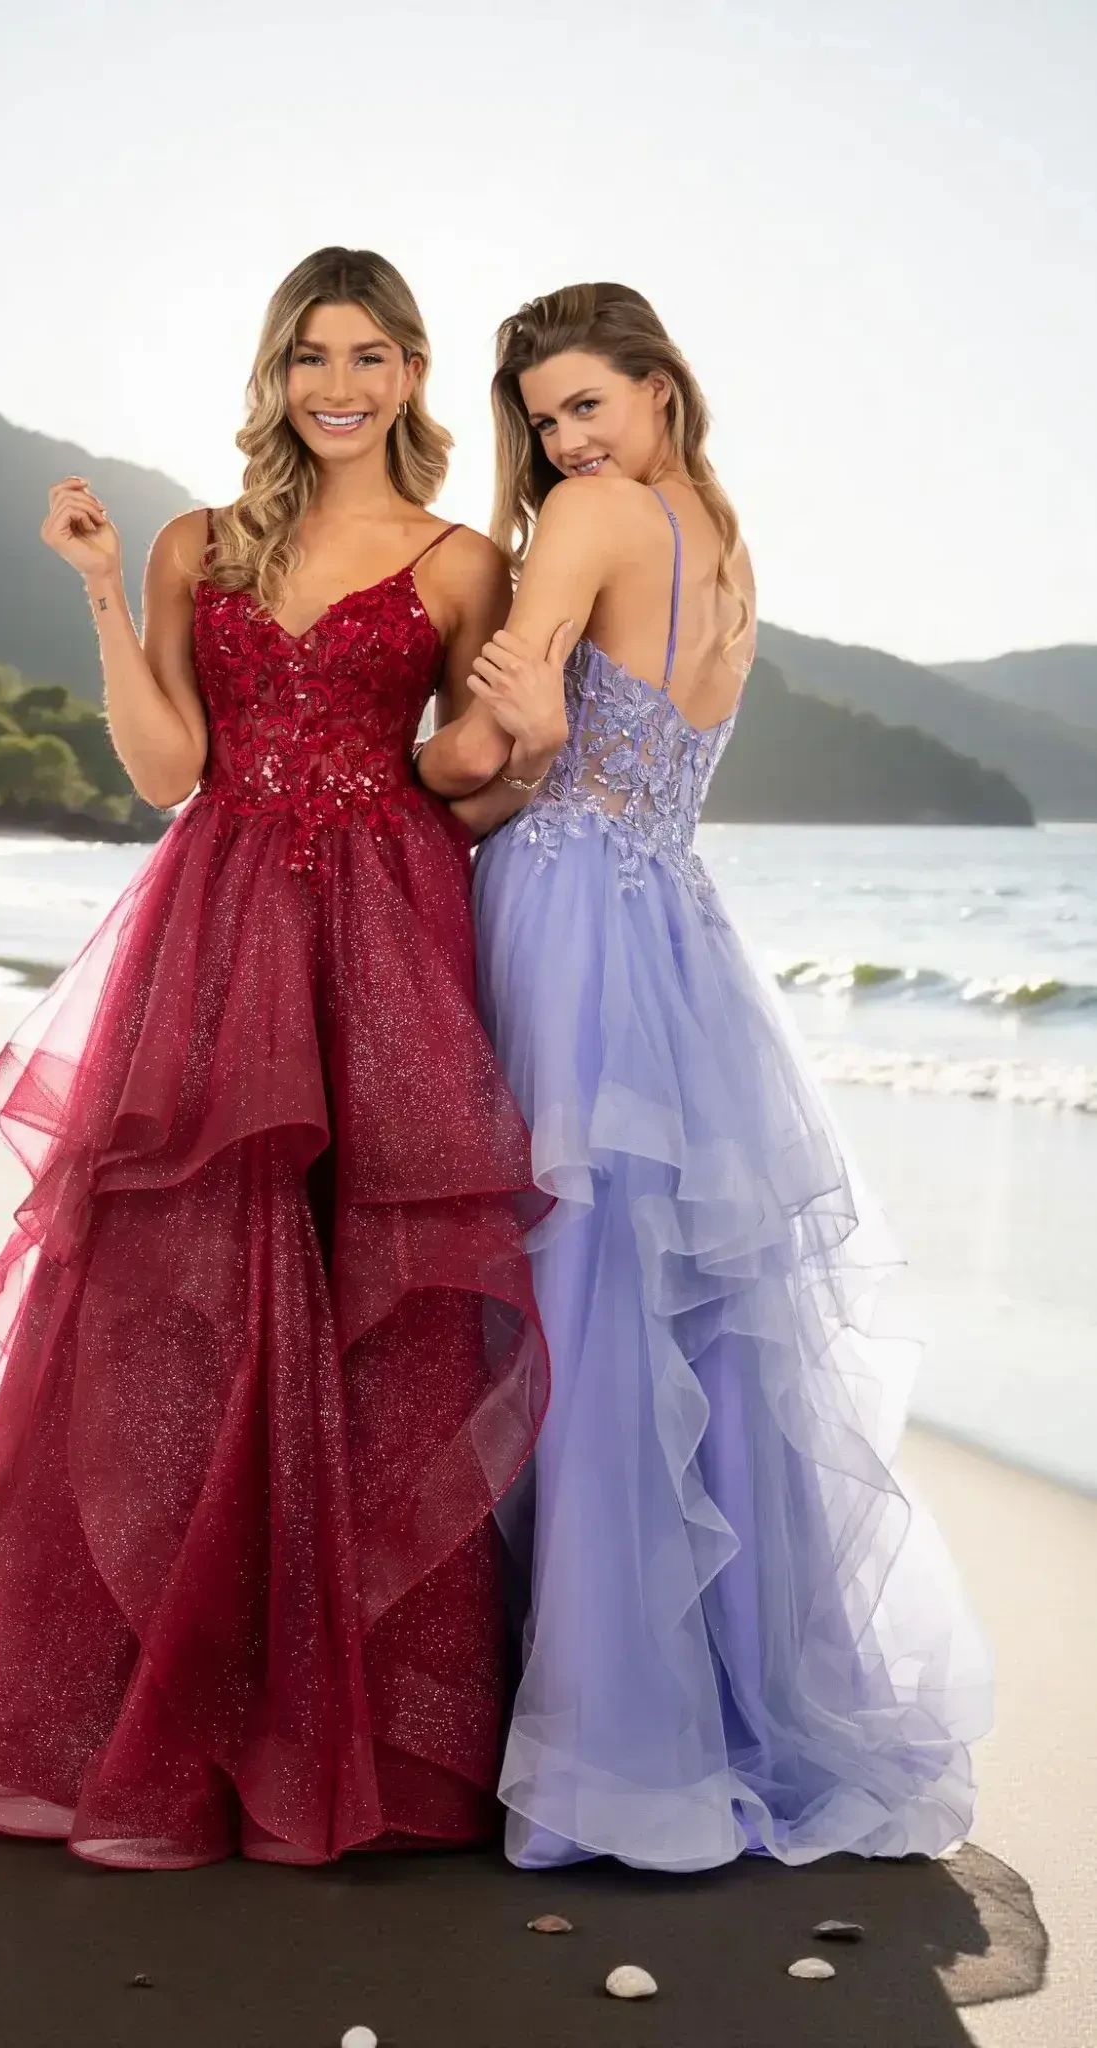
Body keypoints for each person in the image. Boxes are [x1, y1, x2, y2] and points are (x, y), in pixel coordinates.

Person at [0, 247, 549, 1870]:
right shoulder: (195, 542)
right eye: (308, 356)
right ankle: (127, 1712)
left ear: (413, 373)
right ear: (275, 374)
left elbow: (460, 774)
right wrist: (89, 583)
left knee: (369, 1308)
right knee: (166, 1297)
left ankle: (342, 1728)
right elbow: (164, 770)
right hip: (214, 931)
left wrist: (520, 742)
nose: (337, 384)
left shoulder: (464, 559)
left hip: (383, 943)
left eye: (368, 354)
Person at [453, 282, 992, 1872]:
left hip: (559, 907)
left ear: (657, 390)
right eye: (543, 419)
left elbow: (499, 745)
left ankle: (595, 1743)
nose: (561, 443)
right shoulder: (728, 549)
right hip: (674, 927)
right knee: (661, 1314)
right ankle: (690, 1716)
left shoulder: (591, 516)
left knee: (563, 1306)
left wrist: (395, 783)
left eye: (583, 405)